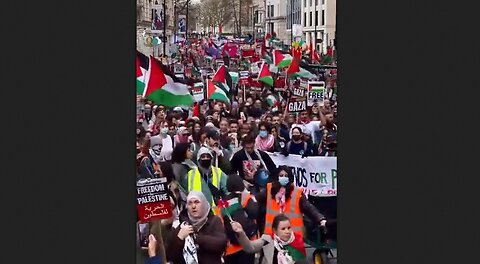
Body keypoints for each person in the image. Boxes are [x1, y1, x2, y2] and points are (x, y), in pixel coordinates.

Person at [256, 166, 326, 237]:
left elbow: (308, 208)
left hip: (293, 236)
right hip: (272, 236)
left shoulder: (297, 192)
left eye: (286, 176)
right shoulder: (269, 190)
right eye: (281, 175)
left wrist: (320, 219)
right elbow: (255, 200)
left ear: (290, 178)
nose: (283, 178)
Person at [166, 191, 227, 264]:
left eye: (196, 202)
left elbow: (221, 244)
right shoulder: (183, 226)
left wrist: (197, 238)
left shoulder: (214, 221)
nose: (193, 206)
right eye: (190, 203)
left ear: (204, 204)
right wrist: (180, 238)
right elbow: (171, 256)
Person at [231, 214, 308, 264]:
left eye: (289, 228)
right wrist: (241, 232)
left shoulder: (297, 241)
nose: (287, 231)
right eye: (283, 229)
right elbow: (250, 247)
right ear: (275, 230)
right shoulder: (268, 240)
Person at [219, 174, 259, 264]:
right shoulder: (247, 197)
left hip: (232, 247)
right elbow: (255, 214)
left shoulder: (222, 203)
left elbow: (220, 223)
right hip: (249, 244)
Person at [181, 147, 228, 212]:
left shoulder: (218, 173)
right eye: (203, 156)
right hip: (197, 212)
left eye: (208, 156)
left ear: (211, 159)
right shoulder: (190, 175)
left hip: (216, 213)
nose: (206, 158)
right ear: (198, 159)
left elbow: (228, 191)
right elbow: (184, 195)